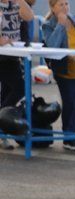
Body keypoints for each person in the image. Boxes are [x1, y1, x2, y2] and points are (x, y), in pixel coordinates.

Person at [43, 0, 75, 152]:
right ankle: (69, 137)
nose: (65, 7)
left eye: (66, 3)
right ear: (53, 8)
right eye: (61, 5)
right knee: (70, 102)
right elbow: (52, 46)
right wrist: (60, 25)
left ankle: (72, 135)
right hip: (66, 71)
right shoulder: (48, 24)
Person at [0, 0, 34, 149]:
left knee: (8, 92)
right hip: (2, 54)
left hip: (12, 54)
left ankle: (2, 133)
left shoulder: (15, 4)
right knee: (19, 88)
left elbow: (29, 17)